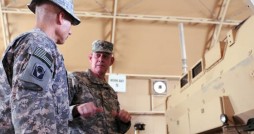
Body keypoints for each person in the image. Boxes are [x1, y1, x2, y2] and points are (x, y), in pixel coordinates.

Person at [0, 0, 80, 133]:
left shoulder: (38, 46)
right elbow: (32, 111)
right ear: (61, 17)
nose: (70, 31)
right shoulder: (39, 45)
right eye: (70, 22)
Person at [68, 40, 132, 134]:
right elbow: (56, 111)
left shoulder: (111, 92)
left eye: (105, 56)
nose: (101, 59)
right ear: (90, 58)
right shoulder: (75, 79)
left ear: (111, 61)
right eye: (97, 55)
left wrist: (124, 121)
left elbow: (118, 129)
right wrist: (76, 110)